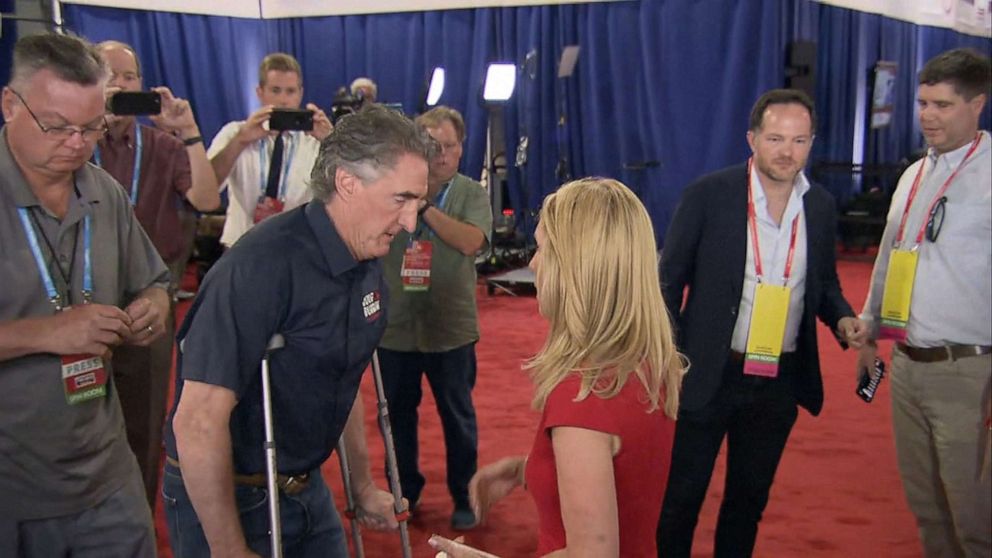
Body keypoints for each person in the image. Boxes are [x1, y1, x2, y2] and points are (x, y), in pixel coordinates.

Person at [162, 105, 432, 557]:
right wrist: (229, 550)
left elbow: (341, 378)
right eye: (400, 199)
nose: (410, 222)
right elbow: (196, 420)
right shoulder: (260, 268)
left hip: (305, 487)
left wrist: (362, 487)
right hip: (232, 495)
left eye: (418, 204)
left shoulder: (366, 261)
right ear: (347, 183)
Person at [656, 89, 868, 557]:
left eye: (798, 140)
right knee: (681, 499)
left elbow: (824, 283)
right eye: (775, 138)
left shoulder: (819, 205)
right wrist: (669, 357)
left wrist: (842, 317)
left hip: (777, 379)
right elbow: (667, 284)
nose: (786, 151)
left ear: (812, 143)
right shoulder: (708, 196)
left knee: (748, 502)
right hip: (708, 371)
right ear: (752, 138)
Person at [430, 177, 684, 557]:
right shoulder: (646, 360)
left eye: (543, 248)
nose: (532, 261)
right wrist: (525, 470)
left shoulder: (582, 393)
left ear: (577, 267)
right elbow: (621, 472)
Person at [0, 33, 170, 556]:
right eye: (56, 126)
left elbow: (155, 281)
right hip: (12, 486)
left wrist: (154, 307)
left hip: (105, 472)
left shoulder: (104, 192)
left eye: (91, 127)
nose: (75, 143)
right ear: (10, 105)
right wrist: (43, 333)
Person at [858, 48, 991, 558]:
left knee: (975, 515)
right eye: (921, 103)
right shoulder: (914, 175)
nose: (927, 116)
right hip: (906, 365)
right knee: (928, 509)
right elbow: (890, 259)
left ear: (976, 104)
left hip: (968, 370)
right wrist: (870, 331)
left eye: (941, 105)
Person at [94, 39, 220, 509]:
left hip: (148, 296)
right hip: (80, 295)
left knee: (144, 421)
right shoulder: (75, 142)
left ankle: (137, 514)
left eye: (130, 77)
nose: (121, 85)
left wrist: (188, 132)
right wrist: (91, 126)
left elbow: (207, 201)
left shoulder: (162, 146)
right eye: (109, 74)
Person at [378, 105, 493, 530]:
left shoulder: (471, 193)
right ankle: (403, 490)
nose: (441, 154)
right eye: (432, 146)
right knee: (396, 418)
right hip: (396, 328)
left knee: (457, 415)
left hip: (451, 328)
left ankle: (465, 494)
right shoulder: (391, 189)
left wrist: (424, 208)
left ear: (462, 148)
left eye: (450, 146)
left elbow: (470, 241)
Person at [208, 52, 333, 248]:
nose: (283, 100)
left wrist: (332, 141)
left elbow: (349, 192)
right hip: (241, 247)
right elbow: (208, 188)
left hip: (297, 250)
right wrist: (240, 141)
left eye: (290, 91)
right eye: (275, 90)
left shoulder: (316, 141)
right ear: (260, 92)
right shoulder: (234, 132)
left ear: (300, 93)